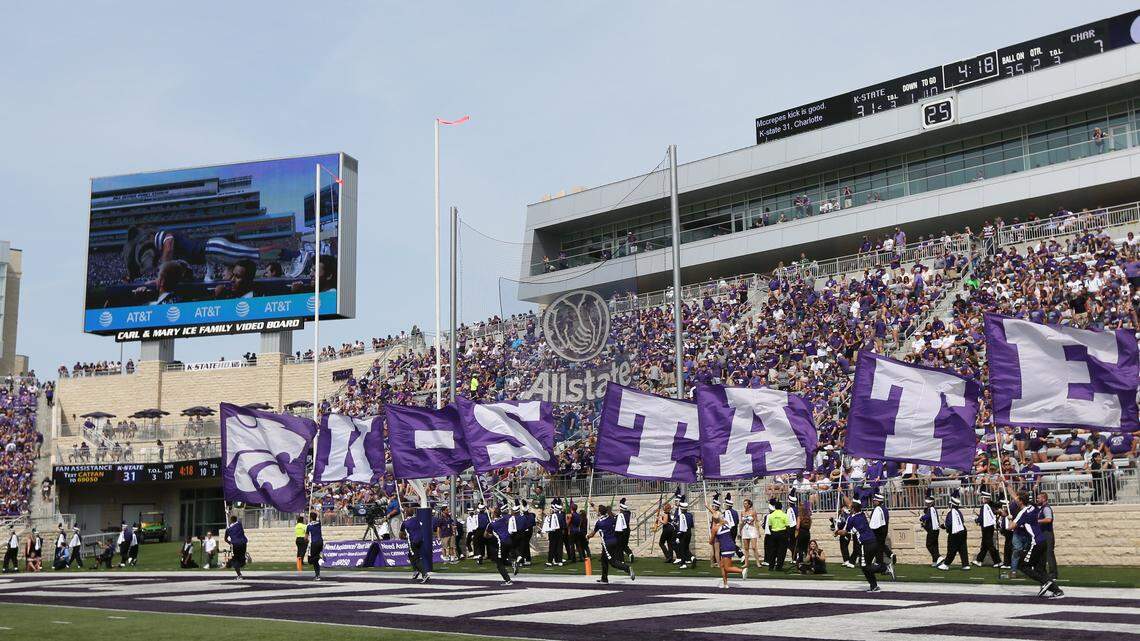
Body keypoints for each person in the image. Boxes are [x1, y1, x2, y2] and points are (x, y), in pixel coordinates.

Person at [1011, 491, 1063, 598]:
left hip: (1036, 543)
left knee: (1022, 565)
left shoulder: (1023, 513)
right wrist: (1007, 485)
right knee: (1040, 569)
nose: (1015, 501)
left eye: (1017, 500)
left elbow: (1010, 527)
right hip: (1042, 541)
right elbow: (1017, 497)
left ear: (1020, 501)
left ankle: (1045, 582)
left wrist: (1007, 518)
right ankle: (1057, 591)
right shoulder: (1033, 507)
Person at [833, 498, 891, 592]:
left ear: (853, 509)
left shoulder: (851, 518)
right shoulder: (862, 514)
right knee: (864, 565)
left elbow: (844, 532)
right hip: (873, 541)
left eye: (851, 507)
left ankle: (883, 568)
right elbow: (852, 506)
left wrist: (836, 532)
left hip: (865, 543)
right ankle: (874, 586)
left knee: (865, 566)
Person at [588, 505, 635, 584]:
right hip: (615, 541)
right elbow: (607, 515)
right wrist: (593, 505)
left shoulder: (599, 523)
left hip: (607, 543)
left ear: (600, 512)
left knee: (612, 562)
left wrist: (587, 536)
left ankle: (627, 568)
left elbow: (592, 534)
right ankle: (604, 578)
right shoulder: (611, 518)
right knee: (603, 560)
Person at [709, 514, 745, 588]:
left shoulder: (715, 528)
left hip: (726, 548)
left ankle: (742, 571)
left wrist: (710, 540)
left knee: (727, 568)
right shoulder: (726, 523)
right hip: (732, 546)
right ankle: (725, 584)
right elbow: (717, 516)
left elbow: (711, 541)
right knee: (722, 565)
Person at [486, 505, 517, 586]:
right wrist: (488, 507)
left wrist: (492, 535)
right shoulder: (504, 519)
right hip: (509, 541)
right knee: (503, 560)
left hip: (501, 543)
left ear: (494, 514)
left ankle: (508, 580)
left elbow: (485, 535)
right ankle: (512, 563)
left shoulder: (491, 524)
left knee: (499, 563)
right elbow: (496, 512)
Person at [939, 496, 969, 570]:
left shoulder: (950, 513)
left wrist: (943, 526)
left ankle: (946, 564)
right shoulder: (959, 512)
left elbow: (949, 524)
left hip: (955, 533)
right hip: (963, 531)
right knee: (962, 549)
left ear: (952, 505)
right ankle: (965, 565)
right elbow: (961, 521)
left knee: (951, 549)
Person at [974, 491, 1000, 568]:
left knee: (990, 545)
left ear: (986, 499)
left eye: (982, 498)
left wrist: (976, 520)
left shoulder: (985, 506)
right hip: (990, 527)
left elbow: (981, 518)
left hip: (986, 528)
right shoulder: (990, 506)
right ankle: (979, 560)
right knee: (985, 545)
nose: (981, 499)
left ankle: (998, 561)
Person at [1036, 492, 1057, 580]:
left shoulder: (1046, 508)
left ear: (1044, 499)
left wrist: (1037, 521)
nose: (1037, 500)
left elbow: (1049, 519)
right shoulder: (1041, 509)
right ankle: (1042, 572)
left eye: (1038, 498)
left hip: (1047, 533)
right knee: (1042, 554)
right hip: (1043, 534)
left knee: (1049, 554)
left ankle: (1053, 574)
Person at [918, 496, 943, 567]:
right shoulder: (934, 509)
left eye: (928, 503)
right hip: (936, 530)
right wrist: (923, 523)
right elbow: (929, 520)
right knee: (935, 546)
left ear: (931, 503)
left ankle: (938, 557)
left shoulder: (931, 509)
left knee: (928, 545)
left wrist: (921, 517)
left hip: (933, 530)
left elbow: (927, 517)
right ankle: (935, 561)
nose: (926, 504)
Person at [869, 493, 893, 567]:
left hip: (879, 530)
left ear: (878, 501)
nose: (873, 502)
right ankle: (889, 555)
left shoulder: (878, 509)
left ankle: (880, 563)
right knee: (880, 546)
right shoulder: (884, 509)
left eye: (875, 501)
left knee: (878, 547)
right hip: (884, 529)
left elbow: (876, 521)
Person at [766, 500, 788, 571]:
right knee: (781, 551)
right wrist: (787, 535)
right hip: (782, 533)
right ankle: (779, 567)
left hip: (773, 533)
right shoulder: (784, 515)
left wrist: (772, 532)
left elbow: (769, 525)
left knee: (773, 550)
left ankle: (771, 566)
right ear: (781, 507)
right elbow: (787, 526)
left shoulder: (771, 515)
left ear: (775, 507)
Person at [543, 499, 565, 567]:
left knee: (552, 547)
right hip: (560, 532)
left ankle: (550, 561)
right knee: (559, 547)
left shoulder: (552, 516)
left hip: (553, 533)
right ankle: (559, 560)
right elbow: (564, 525)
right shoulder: (562, 515)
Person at [225, 515, 247, 580]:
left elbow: (225, 539)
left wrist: (230, 543)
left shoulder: (228, 529)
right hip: (243, 543)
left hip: (235, 545)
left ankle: (239, 575)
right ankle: (244, 559)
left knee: (235, 560)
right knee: (241, 559)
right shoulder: (239, 524)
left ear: (231, 520)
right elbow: (236, 522)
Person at [674, 499, 695, 568]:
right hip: (689, 532)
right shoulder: (690, 515)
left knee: (682, 548)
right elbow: (692, 525)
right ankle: (692, 558)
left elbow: (681, 527)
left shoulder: (681, 516)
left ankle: (683, 564)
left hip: (683, 533)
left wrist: (677, 537)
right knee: (686, 548)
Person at [740, 499, 760, 569]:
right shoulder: (742, 512)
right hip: (745, 530)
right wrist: (739, 531)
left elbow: (756, 522)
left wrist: (758, 531)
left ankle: (758, 562)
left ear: (749, 505)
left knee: (754, 547)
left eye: (745, 504)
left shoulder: (753, 512)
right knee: (746, 548)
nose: (744, 505)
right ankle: (746, 563)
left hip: (752, 529)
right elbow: (741, 523)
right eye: (744, 503)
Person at [306, 512, 324, 581]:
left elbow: (306, 537)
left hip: (314, 543)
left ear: (310, 518)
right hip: (320, 542)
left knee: (310, 560)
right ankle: (317, 575)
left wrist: (306, 539)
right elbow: (318, 515)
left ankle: (319, 558)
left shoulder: (308, 525)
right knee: (315, 560)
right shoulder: (319, 523)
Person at [614, 498, 633, 563]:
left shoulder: (620, 515)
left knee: (619, 545)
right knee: (625, 544)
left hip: (621, 531)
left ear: (621, 509)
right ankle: (630, 553)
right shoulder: (628, 513)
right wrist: (622, 503)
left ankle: (620, 559)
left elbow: (616, 519)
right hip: (627, 530)